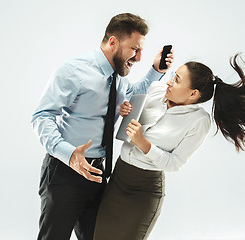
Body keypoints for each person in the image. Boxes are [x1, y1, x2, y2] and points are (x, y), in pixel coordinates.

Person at [93, 53, 245, 240]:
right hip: (118, 180)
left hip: (144, 191)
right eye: (173, 76)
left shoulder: (199, 121)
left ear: (194, 94)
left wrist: (145, 144)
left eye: (176, 80)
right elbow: (124, 115)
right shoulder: (156, 90)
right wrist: (126, 110)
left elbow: (175, 163)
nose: (169, 82)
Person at [31, 13, 174, 240]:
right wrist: (69, 155)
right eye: (134, 49)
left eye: (141, 51)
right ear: (113, 42)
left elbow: (134, 96)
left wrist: (156, 70)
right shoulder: (73, 71)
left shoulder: (118, 77)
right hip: (65, 172)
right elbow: (42, 116)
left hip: (99, 173)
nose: (138, 58)